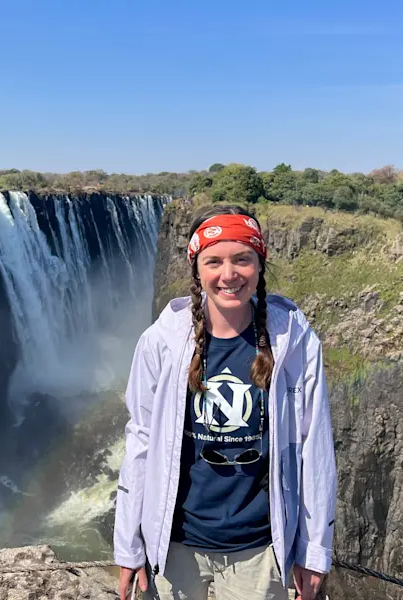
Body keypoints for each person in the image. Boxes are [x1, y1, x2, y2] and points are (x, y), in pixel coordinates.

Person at [113, 204, 337, 600]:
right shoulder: (161, 342)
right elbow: (141, 442)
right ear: (196, 268)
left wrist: (313, 550)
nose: (228, 274)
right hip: (174, 545)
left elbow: (313, 447)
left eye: (242, 259)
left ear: (259, 264)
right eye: (213, 260)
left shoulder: (295, 343)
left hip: (260, 548)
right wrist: (128, 547)